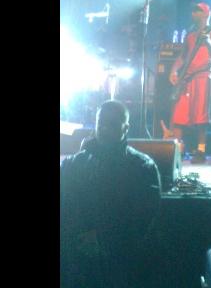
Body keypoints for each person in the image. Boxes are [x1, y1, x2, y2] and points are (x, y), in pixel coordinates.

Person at [60, 100, 161, 288]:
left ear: (126, 128)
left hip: (120, 264)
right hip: (78, 261)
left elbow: (142, 218)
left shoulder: (142, 167)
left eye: (112, 124)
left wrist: (102, 239)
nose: (105, 128)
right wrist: (79, 237)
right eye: (101, 123)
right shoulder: (73, 164)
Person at [167, 2, 211, 163]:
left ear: (206, 14)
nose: (194, 13)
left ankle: (201, 150)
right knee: (179, 114)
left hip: (203, 76)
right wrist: (173, 71)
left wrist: (207, 40)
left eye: (198, 11)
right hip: (186, 78)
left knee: (201, 116)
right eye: (193, 10)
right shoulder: (190, 35)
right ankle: (178, 149)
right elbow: (182, 57)